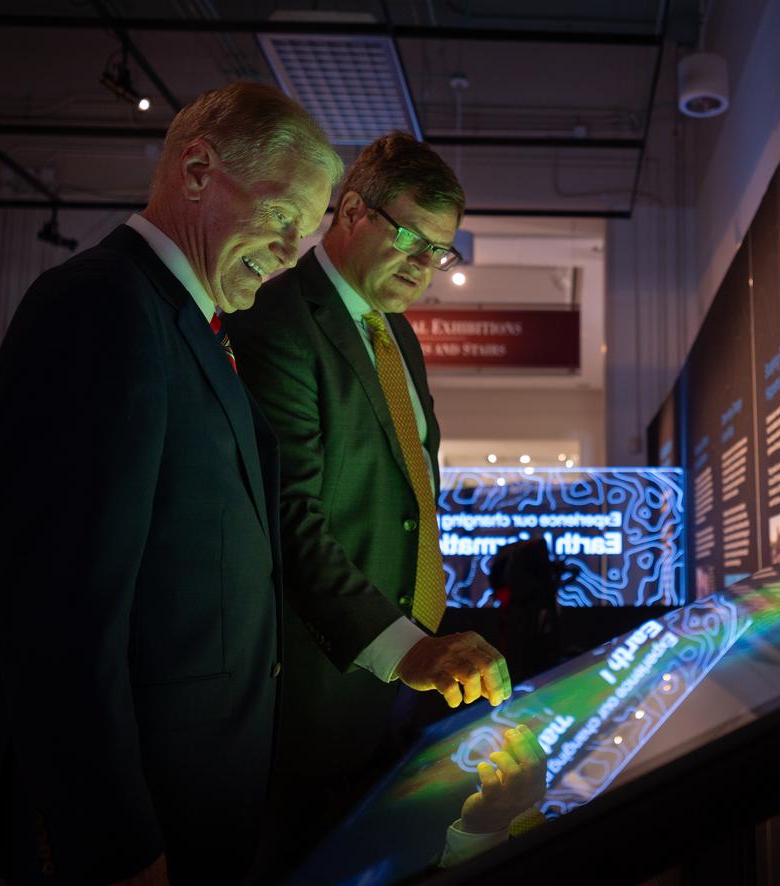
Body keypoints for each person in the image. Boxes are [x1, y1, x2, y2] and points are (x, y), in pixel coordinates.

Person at [0, 82, 340, 884]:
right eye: (283, 214)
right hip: (122, 834)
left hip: (196, 807)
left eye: (304, 231)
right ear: (199, 171)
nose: (290, 251)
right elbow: (59, 622)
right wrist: (118, 849)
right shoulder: (102, 307)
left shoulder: (191, 325)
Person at [227, 132, 530, 864]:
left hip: (396, 689)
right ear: (352, 211)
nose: (427, 267)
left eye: (441, 252)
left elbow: (402, 508)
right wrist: (408, 651)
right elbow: (288, 519)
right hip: (316, 697)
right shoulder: (279, 320)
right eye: (411, 240)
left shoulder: (396, 333)